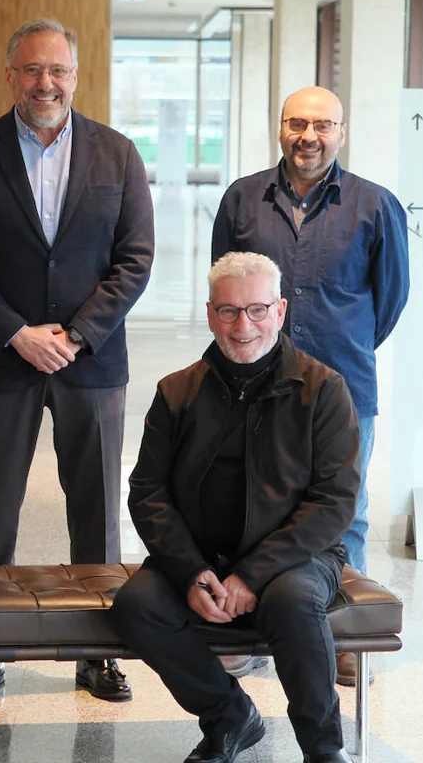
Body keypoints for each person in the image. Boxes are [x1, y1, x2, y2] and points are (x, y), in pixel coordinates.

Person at [0, 18, 154, 702]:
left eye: (57, 70)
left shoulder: (117, 154)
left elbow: (135, 260)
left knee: (97, 510)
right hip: (1, 360)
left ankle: (97, 653)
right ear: (10, 76)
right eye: (32, 70)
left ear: (76, 76)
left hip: (93, 363)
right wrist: (18, 332)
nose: (45, 83)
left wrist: (77, 335)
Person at [112, 251, 359, 763]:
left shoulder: (324, 390)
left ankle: (323, 748)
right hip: (200, 555)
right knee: (137, 605)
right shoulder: (176, 392)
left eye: (257, 310)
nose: (242, 325)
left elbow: (334, 502)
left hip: (296, 557)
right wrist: (190, 571)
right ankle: (229, 715)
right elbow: (148, 492)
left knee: (291, 601)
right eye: (228, 311)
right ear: (209, 314)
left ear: (281, 310)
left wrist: (252, 574)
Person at [210, 86, 408, 684]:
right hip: (252, 384)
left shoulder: (376, 205)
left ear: (340, 133)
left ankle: (343, 635)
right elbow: (226, 289)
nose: (309, 136)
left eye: (323, 125)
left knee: (346, 511)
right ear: (280, 128)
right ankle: (243, 629)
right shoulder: (243, 199)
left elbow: (390, 299)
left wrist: (341, 348)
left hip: (344, 387)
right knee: (247, 503)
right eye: (298, 123)